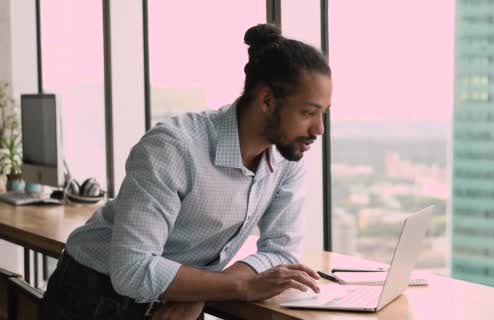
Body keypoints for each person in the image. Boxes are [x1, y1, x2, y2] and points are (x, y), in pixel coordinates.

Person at [41, 23, 332, 319]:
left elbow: (282, 251)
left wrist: (205, 291)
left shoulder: (285, 158)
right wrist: (234, 287)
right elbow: (132, 269)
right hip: (93, 298)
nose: (319, 129)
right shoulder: (174, 147)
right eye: (308, 113)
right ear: (267, 100)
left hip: (177, 299)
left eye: (323, 113)